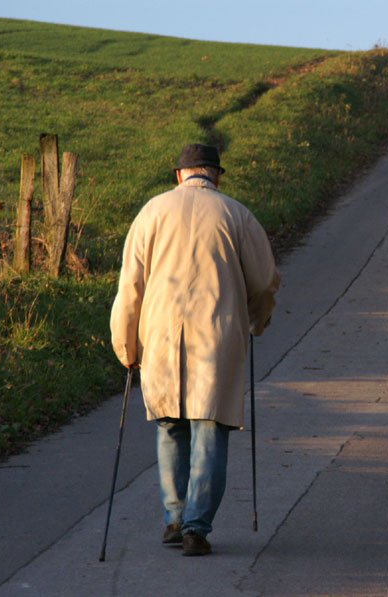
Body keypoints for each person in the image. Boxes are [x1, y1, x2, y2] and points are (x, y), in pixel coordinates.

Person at [110, 143, 280, 557]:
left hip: (162, 337)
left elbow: (130, 287)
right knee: (210, 428)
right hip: (216, 338)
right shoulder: (236, 214)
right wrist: (257, 321)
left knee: (170, 425)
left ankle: (174, 516)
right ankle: (196, 528)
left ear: (179, 174)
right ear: (217, 175)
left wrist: (126, 345)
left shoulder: (151, 212)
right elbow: (264, 281)